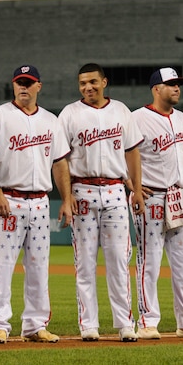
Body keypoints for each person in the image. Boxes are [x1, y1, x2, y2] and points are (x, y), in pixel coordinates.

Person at [0, 65, 74, 344]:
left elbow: (60, 163)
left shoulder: (50, 120)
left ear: (38, 87)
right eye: (19, 82)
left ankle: (35, 324)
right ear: (13, 85)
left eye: (29, 83)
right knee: (3, 265)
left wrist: (66, 200)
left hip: (40, 203)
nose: (23, 87)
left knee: (38, 265)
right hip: (8, 199)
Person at [58, 63, 144, 342]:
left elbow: (132, 153)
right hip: (81, 190)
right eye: (82, 83)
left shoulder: (121, 111)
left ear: (104, 82)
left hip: (115, 191)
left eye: (93, 82)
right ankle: (88, 324)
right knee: (84, 262)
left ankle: (124, 323)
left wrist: (138, 189)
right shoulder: (69, 114)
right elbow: (59, 160)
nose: (87, 87)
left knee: (119, 260)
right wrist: (66, 196)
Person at [131, 67, 183, 339]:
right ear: (156, 89)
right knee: (150, 262)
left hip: (179, 196)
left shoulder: (182, 119)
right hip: (151, 197)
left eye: (178, 84)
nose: (177, 88)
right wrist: (130, 184)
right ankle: (147, 322)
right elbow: (119, 153)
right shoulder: (137, 118)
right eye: (171, 84)